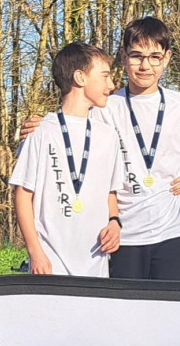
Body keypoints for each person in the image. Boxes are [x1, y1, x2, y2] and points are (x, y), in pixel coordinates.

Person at [18, 16, 180, 280]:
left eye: (155, 57)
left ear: (167, 58)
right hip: (123, 235)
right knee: (125, 305)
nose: (145, 66)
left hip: (175, 230)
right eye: (137, 56)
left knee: (172, 304)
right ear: (123, 56)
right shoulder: (106, 105)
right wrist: (41, 124)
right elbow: (72, 121)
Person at [10, 42, 123, 276]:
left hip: (95, 263)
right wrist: (35, 253)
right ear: (80, 77)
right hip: (50, 263)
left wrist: (115, 222)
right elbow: (23, 195)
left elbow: (110, 192)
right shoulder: (40, 132)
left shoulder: (109, 136)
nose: (111, 85)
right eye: (105, 77)